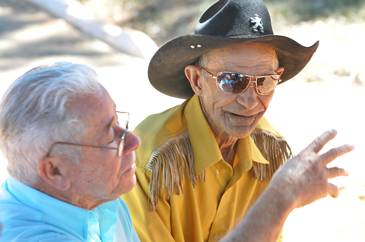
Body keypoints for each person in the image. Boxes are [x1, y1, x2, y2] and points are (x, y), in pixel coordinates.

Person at [122, 0, 354, 241]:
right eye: (232, 80)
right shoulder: (151, 158)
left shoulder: (270, 150)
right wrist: (281, 197)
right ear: (196, 80)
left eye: (264, 81)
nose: (251, 101)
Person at [0, 62, 141, 242]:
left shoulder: (101, 198)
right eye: (108, 136)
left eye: (117, 121)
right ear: (55, 170)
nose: (134, 142)